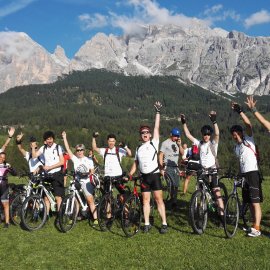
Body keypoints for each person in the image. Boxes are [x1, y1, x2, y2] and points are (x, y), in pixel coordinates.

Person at [129, 101, 168, 234]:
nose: (145, 134)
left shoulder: (154, 142)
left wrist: (157, 112)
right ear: (140, 135)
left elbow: (157, 127)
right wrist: (130, 174)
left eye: (147, 132)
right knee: (145, 200)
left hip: (154, 175)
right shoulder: (138, 148)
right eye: (142, 133)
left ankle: (164, 223)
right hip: (144, 177)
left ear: (150, 134)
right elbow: (135, 163)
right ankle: (146, 223)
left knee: (158, 199)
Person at [180, 111, 224, 221]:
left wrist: (214, 121)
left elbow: (217, 134)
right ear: (202, 134)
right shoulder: (199, 143)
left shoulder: (213, 143)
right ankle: (202, 212)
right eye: (205, 134)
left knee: (216, 192)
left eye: (208, 134)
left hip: (213, 170)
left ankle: (222, 216)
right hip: (202, 171)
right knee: (201, 191)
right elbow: (188, 135)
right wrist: (184, 122)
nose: (206, 136)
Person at [231, 102, 263, 237]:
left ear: (241, 133)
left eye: (237, 133)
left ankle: (257, 227)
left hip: (253, 174)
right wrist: (239, 174)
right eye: (233, 134)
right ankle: (252, 225)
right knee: (248, 201)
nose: (236, 135)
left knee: (255, 202)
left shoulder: (249, 139)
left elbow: (248, 124)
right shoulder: (236, 148)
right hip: (244, 175)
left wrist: (240, 111)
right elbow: (240, 162)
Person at [62, 131, 98, 224]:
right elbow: (68, 149)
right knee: (76, 200)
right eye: (77, 150)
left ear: (84, 151)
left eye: (81, 150)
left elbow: (92, 171)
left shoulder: (88, 160)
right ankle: (73, 217)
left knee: (90, 200)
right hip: (77, 181)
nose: (79, 152)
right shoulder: (75, 159)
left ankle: (95, 219)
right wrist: (64, 138)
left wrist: (88, 174)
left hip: (86, 181)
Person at [31, 131, 64, 211]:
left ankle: (59, 216)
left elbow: (62, 162)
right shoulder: (43, 148)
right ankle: (47, 216)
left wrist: (50, 167)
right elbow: (34, 156)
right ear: (45, 140)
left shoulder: (58, 147)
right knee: (46, 197)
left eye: (51, 139)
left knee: (58, 197)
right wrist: (33, 147)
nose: (49, 141)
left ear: (53, 139)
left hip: (57, 174)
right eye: (47, 139)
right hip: (47, 175)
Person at [159, 128, 184, 208]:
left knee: (176, 185)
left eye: (177, 136)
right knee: (171, 184)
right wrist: (161, 167)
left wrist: (180, 145)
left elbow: (182, 153)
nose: (176, 138)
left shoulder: (177, 143)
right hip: (168, 167)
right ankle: (171, 200)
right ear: (171, 135)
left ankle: (174, 202)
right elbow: (160, 155)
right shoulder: (165, 143)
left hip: (176, 167)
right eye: (175, 136)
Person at [0, 152, 16, 228]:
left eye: (3, 158)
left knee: (5, 205)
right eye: (0, 157)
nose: (2, 159)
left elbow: (15, 174)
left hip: (3, 187)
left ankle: (7, 222)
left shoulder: (6, 165)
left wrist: (11, 167)